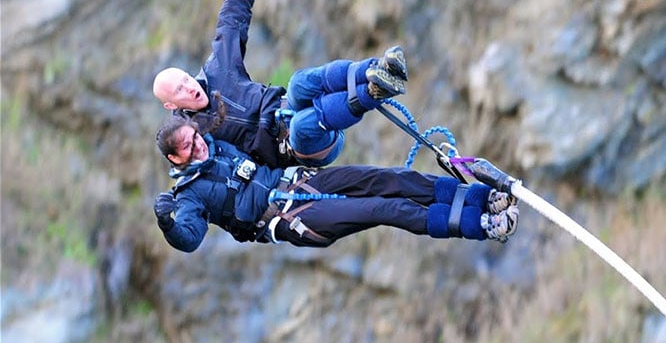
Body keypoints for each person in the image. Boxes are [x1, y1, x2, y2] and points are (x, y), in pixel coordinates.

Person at [152, 0, 408, 169]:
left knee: (298, 82)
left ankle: (379, 69)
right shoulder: (190, 138)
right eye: (179, 91)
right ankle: (372, 93)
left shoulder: (218, 70)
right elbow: (194, 176)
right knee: (301, 126)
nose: (189, 87)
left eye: (185, 80)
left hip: (290, 108)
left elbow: (230, 24)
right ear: (171, 105)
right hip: (300, 147)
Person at [153, 115, 520, 252]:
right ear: (175, 158)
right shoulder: (188, 197)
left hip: (299, 180)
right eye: (188, 145)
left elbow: (229, 45)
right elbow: (190, 238)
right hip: (289, 219)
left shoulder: (222, 141)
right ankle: (482, 225)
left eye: (194, 136)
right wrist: (168, 223)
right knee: (383, 207)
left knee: (390, 178)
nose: (197, 143)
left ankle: (481, 198)